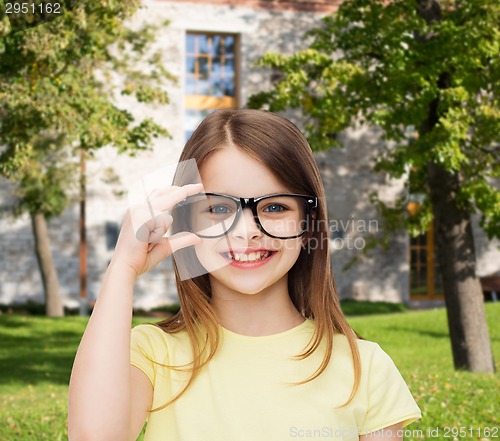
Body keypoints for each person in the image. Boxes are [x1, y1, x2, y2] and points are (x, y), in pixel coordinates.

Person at [68, 109, 422, 441]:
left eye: (274, 207)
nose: (247, 231)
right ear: (187, 219)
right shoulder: (151, 353)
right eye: (220, 208)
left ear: (308, 223)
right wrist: (122, 270)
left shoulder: (366, 365)